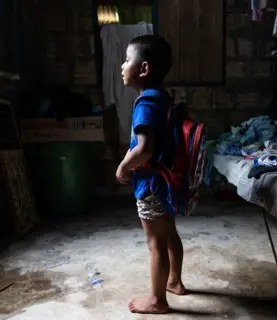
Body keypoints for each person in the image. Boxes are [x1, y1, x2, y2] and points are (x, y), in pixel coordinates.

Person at [115, 35, 186, 314]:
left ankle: (157, 300)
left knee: (154, 241)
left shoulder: (145, 103)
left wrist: (123, 166)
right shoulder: (163, 98)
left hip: (152, 184)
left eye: (127, 60)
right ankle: (175, 282)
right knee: (168, 233)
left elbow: (144, 149)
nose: (122, 66)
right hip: (167, 182)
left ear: (143, 69)